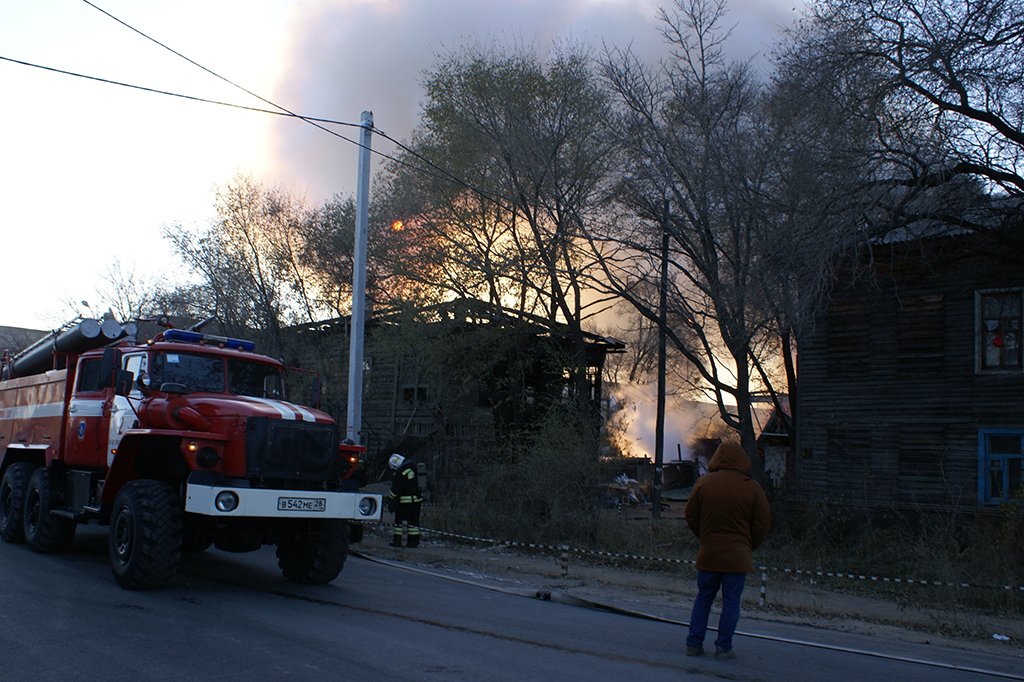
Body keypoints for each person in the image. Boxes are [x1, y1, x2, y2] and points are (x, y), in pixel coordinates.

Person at [684, 440, 771, 660]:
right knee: (731, 603)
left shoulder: (704, 484)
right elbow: (762, 523)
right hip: (737, 558)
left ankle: (693, 644)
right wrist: (748, 545)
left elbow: (690, 515)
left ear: (717, 459)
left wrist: (705, 537)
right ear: (743, 460)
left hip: (710, 554)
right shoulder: (752, 488)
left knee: (704, 598)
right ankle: (723, 648)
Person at [386, 453, 423, 548]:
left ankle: (397, 542)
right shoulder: (414, 468)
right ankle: (413, 543)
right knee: (414, 523)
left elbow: (396, 489)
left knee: (399, 522)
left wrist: (389, 497)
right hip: (417, 501)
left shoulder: (401, 472)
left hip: (405, 502)